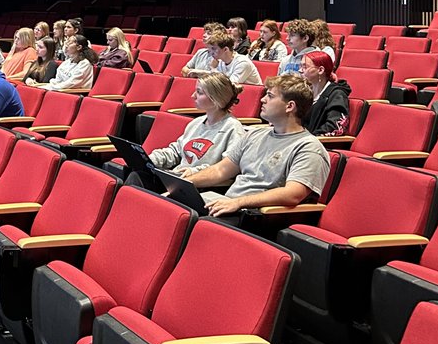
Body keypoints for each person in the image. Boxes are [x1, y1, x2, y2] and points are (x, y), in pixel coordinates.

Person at [181, 74, 329, 218]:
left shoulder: (309, 148)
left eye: (270, 96)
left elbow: (293, 194)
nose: (263, 100)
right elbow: (221, 170)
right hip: (228, 205)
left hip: (255, 216)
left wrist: (238, 202)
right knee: (176, 205)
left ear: (290, 106)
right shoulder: (254, 135)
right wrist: (184, 184)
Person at [144, 73, 246, 177]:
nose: (193, 96)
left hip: (200, 184)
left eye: (199, 92)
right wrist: (151, 159)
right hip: (176, 176)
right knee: (138, 172)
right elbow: (176, 151)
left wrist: (195, 171)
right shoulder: (196, 123)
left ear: (216, 99)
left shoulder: (233, 128)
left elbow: (227, 167)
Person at [301, 50, 352, 136]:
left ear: (320, 70)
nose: (300, 70)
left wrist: (308, 139)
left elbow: (335, 126)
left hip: (321, 144)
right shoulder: (305, 92)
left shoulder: (337, 95)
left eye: (305, 67)